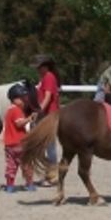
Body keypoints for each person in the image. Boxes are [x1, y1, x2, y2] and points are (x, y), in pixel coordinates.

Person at [32, 54, 61, 185]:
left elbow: (48, 97)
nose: (37, 70)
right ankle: (49, 174)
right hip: (46, 114)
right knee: (45, 145)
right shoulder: (44, 78)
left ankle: (53, 175)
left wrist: (39, 112)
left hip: (49, 115)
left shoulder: (49, 77)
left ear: (45, 66)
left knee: (50, 146)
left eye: (39, 67)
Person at [3, 84, 37, 193]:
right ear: (14, 99)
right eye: (21, 99)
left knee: (11, 166)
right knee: (27, 164)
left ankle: (10, 185)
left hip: (9, 144)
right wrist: (29, 119)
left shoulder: (9, 110)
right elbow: (19, 124)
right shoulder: (16, 110)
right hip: (20, 143)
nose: (24, 101)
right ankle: (30, 184)